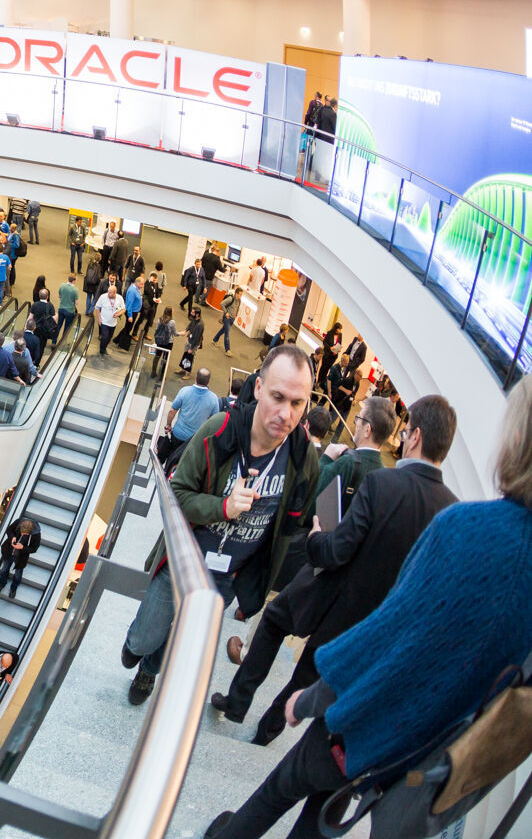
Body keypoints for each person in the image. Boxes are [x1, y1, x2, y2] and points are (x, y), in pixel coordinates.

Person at [203, 378, 532, 839]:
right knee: (322, 821)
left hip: (367, 711)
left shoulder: (463, 525)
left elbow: (394, 628)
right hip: (421, 754)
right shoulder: (450, 508)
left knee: (281, 790)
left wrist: (315, 698)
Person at [211, 396, 453, 747]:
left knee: (273, 621)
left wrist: (315, 538)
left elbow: (337, 549)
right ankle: (267, 733)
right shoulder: (450, 511)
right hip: (367, 613)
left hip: (326, 584)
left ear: (414, 436)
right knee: (309, 671)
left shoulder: (383, 485)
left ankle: (237, 703)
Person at [121, 345, 319, 706]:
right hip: (183, 558)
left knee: (180, 642)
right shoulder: (221, 431)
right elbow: (175, 495)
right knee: (146, 636)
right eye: (277, 397)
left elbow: (291, 527)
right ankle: (138, 647)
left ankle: (148, 671)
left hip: (227, 576)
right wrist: (223, 507)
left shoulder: (304, 458)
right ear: (258, 388)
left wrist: (258, 587)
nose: (285, 413)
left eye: (297, 403)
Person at [162, 368, 221, 469]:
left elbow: (172, 411)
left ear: (196, 378)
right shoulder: (214, 399)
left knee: (172, 457)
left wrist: (168, 425)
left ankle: (166, 474)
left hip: (178, 434)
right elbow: (215, 421)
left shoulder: (184, 391)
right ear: (208, 381)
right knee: (187, 464)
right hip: (195, 440)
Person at [0, 518, 41, 595]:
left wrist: (23, 547)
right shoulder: (18, 522)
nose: (23, 534)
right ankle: (1, 584)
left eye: (25, 534)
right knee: (4, 570)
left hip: (21, 557)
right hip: (9, 552)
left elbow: (34, 549)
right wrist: (12, 537)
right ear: (20, 526)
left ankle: (13, 588)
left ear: (31, 531)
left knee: (18, 574)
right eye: (22, 532)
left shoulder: (36, 534)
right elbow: (9, 530)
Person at [93, 283, 124, 357]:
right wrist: (99, 318)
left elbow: (123, 309)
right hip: (104, 321)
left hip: (113, 323)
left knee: (109, 338)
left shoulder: (119, 298)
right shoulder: (103, 297)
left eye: (110, 293)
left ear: (115, 293)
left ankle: (104, 348)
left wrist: (119, 314)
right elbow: (97, 308)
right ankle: (101, 351)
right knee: (105, 337)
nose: (108, 294)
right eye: (108, 292)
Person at [113, 276, 143, 351]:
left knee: (128, 327)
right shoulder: (133, 291)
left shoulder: (136, 288)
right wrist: (130, 316)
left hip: (134, 311)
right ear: (137, 283)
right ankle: (121, 342)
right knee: (128, 328)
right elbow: (129, 304)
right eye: (142, 284)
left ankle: (117, 339)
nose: (143, 286)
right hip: (131, 312)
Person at [176, 307, 204, 379]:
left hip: (193, 344)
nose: (191, 313)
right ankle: (183, 369)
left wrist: (191, 348)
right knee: (185, 355)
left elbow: (196, 338)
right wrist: (185, 330)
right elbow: (190, 324)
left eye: (193, 312)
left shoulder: (200, 325)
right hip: (189, 340)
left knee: (190, 358)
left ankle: (188, 374)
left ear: (197, 314)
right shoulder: (194, 319)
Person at [213, 285, 240, 356]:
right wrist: (226, 312)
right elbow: (222, 304)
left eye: (241, 295)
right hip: (227, 318)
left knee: (223, 330)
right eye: (240, 294)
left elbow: (236, 308)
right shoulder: (231, 299)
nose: (240, 296)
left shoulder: (239, 301)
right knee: (227, 334)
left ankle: (214, 340)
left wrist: (235, 315)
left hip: (232, 319)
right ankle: (227, 350)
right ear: (236, 293)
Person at [151, 307, 177, 378]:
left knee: (157, 356)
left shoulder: (160, 319)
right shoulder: (172, 322)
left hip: (159, 341)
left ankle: (153, 372)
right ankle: (162, 375)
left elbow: (157, 329)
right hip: (168, 342)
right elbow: (175, 333)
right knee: (165, 359)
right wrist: (181, 333)